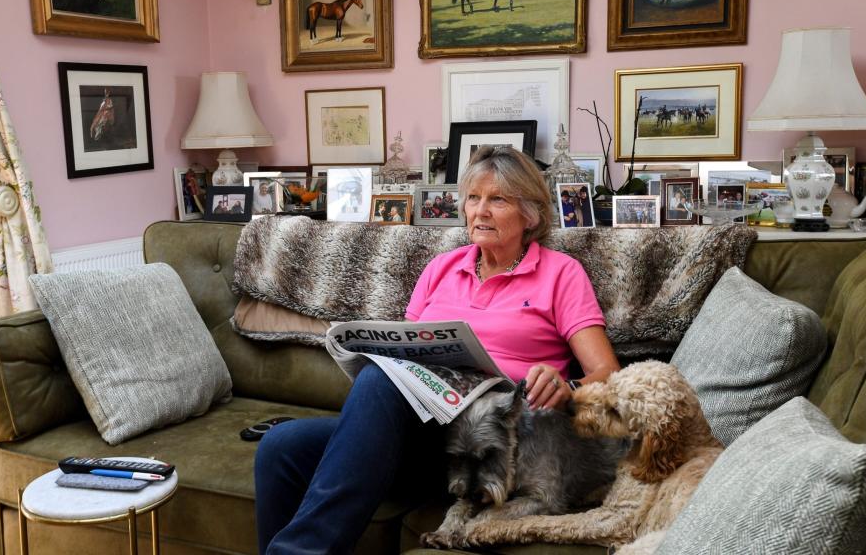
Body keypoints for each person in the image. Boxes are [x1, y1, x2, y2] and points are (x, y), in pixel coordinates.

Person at [254, 145, 621, 555]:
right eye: (473, 198)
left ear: (530, 213)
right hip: (425, 433)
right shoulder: (442, 268)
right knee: (281, 445)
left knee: (379, 382)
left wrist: (566, 386)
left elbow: (608, 372)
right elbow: (406, 359)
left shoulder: (560, 273)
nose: (480, 211)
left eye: (497, 199)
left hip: (497, 444)